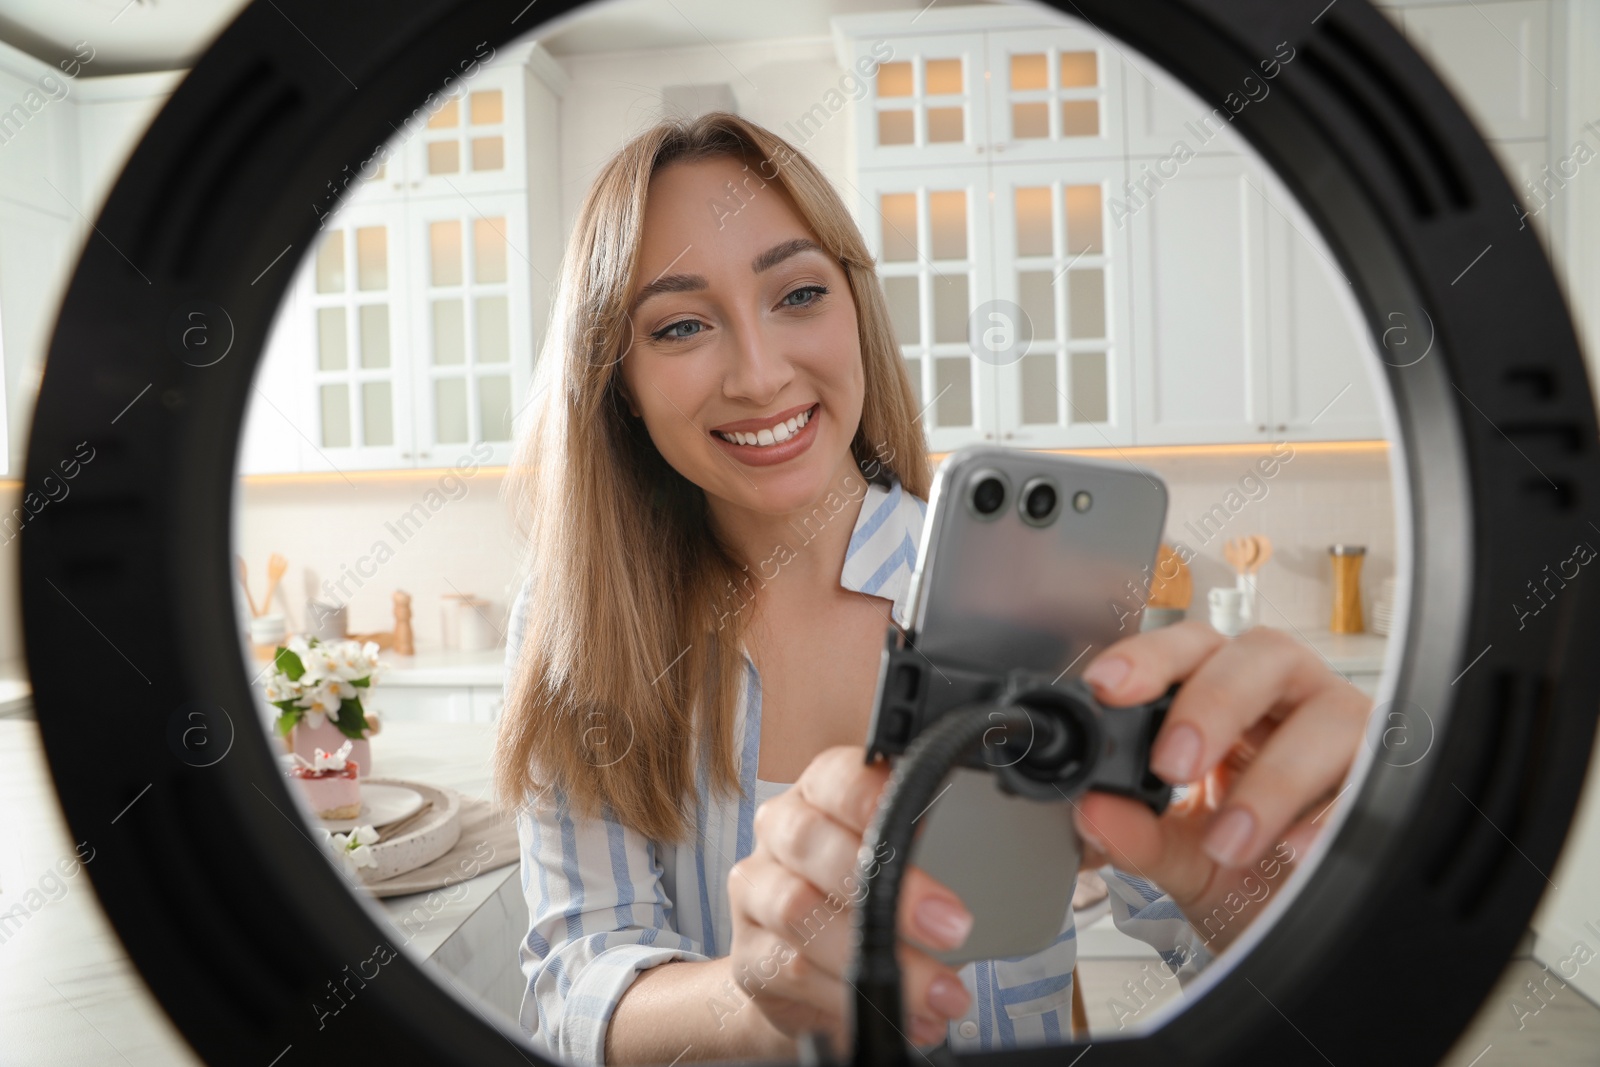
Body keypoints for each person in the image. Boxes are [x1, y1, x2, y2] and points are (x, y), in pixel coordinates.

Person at [492, 112, 1371, 1066]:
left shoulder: (1038, 590)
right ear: (616, 378)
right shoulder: (577, 625)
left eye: (797, 293)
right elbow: (575, 984)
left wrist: (1278, 897)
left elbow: (1209, 939)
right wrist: (751, 1007)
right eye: (682, 325)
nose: (759, 372)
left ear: (855, 310)